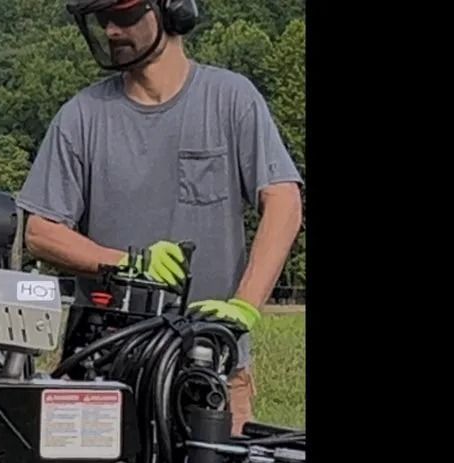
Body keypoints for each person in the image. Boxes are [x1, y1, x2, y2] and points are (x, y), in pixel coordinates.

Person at [16, 0, 304, 434]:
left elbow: (284, 202)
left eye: (126, 16)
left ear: (174, 12)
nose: (112, 30)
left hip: (212, 370)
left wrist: (244, 306)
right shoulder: (82, 116)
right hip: (103, 369)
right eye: (103, 20)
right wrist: (127, 263)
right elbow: (39, 231)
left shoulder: (230, 99)